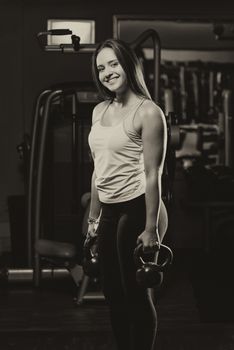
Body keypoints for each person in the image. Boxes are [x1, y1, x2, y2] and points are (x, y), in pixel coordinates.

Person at [85, 38, 168, 350]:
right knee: (112, 294)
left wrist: (150, 228)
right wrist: (93, 219)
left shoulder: (148, 113)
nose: (107, 72)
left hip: (137, 206)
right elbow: (98, 170)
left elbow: (152, 173)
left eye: (113, 63)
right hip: (108, 208)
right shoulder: (98, 111)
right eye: (101, 68)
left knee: (134, 293)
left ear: (128, 65)